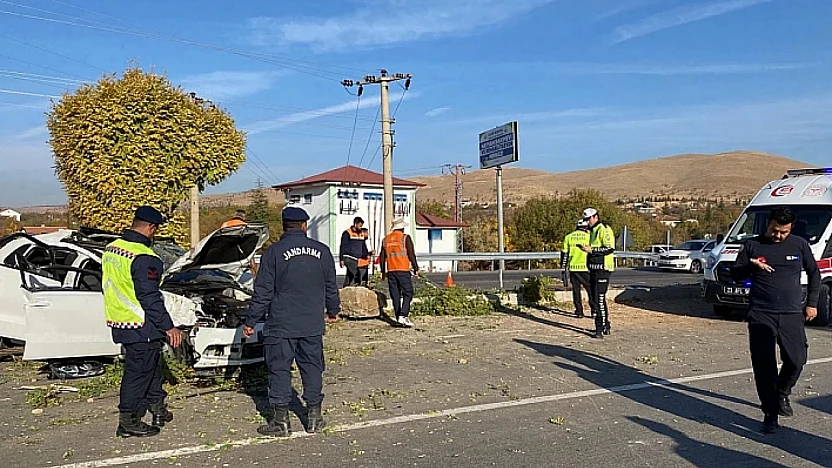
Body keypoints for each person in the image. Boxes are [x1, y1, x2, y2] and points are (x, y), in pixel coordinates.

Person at [243, 206, 340, 437]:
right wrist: (333, 310)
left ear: (284, 225)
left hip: (281, 324)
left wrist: (251, 321)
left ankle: (281, 422)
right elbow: (330, 285)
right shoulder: (322, 251)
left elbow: (263, 291)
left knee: (279, 370)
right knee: (312, 368)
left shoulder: (273, 253)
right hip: (311, 324)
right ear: (304, 226)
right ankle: (314, 418)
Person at [730, 206, 820, 434]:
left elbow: (814, 273)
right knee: (764, 366)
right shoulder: (752, 245)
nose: (778, 235)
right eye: (774, 230)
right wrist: (751, 265)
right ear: (767, 225)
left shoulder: (799, 244)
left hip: (791, 313)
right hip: (761, 313)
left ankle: (782, 393)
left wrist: (812, 303)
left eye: (783, 232)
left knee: (797, 360)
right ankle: (770, 414)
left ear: (791, 228)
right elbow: (735, 274)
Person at [102, 206, 183, 438]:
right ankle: (128, 421)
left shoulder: (111, 249)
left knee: (152, 367)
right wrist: (168, 326)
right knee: (137, 374)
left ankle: (157, 409)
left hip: (120, 320)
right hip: (141, 323)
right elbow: (149, 296)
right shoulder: (145, 256)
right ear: (151, 228)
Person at [580, 208, 616, 339]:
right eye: (585, 220)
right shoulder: (593, 231)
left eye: (589, 219)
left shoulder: (603, 229)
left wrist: (592, 250)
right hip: (594, 269)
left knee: (599, 299)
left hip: (603, 268)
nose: (587, 222)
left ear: (596, 217)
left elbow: (609, 248)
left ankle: (599, 328)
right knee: (595, 299)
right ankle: (605, 325)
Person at [379, 217, 419, 328]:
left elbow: (382, 257)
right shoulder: (405, 238)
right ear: (402, 228)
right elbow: (411, 254)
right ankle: (403, 315)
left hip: (391, 270)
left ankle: (398, 317)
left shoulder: (386, 239)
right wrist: (416, 268)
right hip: (403, 270)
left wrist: (383, 271)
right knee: (408, 292)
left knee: (395, 294)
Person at [561, 219, 592, 318]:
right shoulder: (589, 237)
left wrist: (563, 268)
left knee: (576, 290)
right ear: (586, 227)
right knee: (591, 290)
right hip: (586, 268)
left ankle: (579, 311)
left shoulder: (569, 237)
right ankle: (594, 310)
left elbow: (564, 254)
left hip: (573, 268)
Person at [339, 217, 370, 287]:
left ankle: (345, 287)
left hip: (356, 259)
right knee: (356, 273)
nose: (361, 227)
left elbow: (363, 246)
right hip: (348, 257)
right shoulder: (347, 233)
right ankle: (358, 285)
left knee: (350, 275)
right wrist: (341, 259)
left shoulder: (361, 234)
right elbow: (342, 246)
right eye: (360, 226)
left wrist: (366, 254)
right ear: (355, 224)